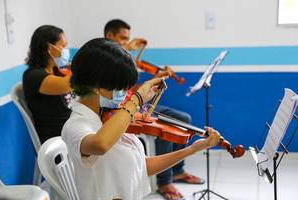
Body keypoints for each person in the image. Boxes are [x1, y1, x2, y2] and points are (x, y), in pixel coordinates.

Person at [61, 38, 220, 200]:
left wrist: (192, 149)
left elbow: (140, 167)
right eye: (120, 87)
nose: (124, 93)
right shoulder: (76, 125)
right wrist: (136, 100)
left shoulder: (109, 116)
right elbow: (101, 144)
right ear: (96, 85)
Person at [104, 19, 205, 200]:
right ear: (109, 35)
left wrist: (153, 81)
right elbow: (120, 94)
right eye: (122, 38)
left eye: (127, 39)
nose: (126, 42)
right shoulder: (104, 59)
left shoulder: (121, 56)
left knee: (184, 119)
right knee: (162, 128)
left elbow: (128, 90)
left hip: (136, 102)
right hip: (125, 107)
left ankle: (177, 170)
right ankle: (164, 181)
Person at [23, 25, 72, 144]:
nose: (66, 50)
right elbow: (67, 85)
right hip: (56, 138)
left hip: (70, 128)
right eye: (63, 46)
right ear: (49, 48)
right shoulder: (33, 76)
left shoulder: (55, 70)